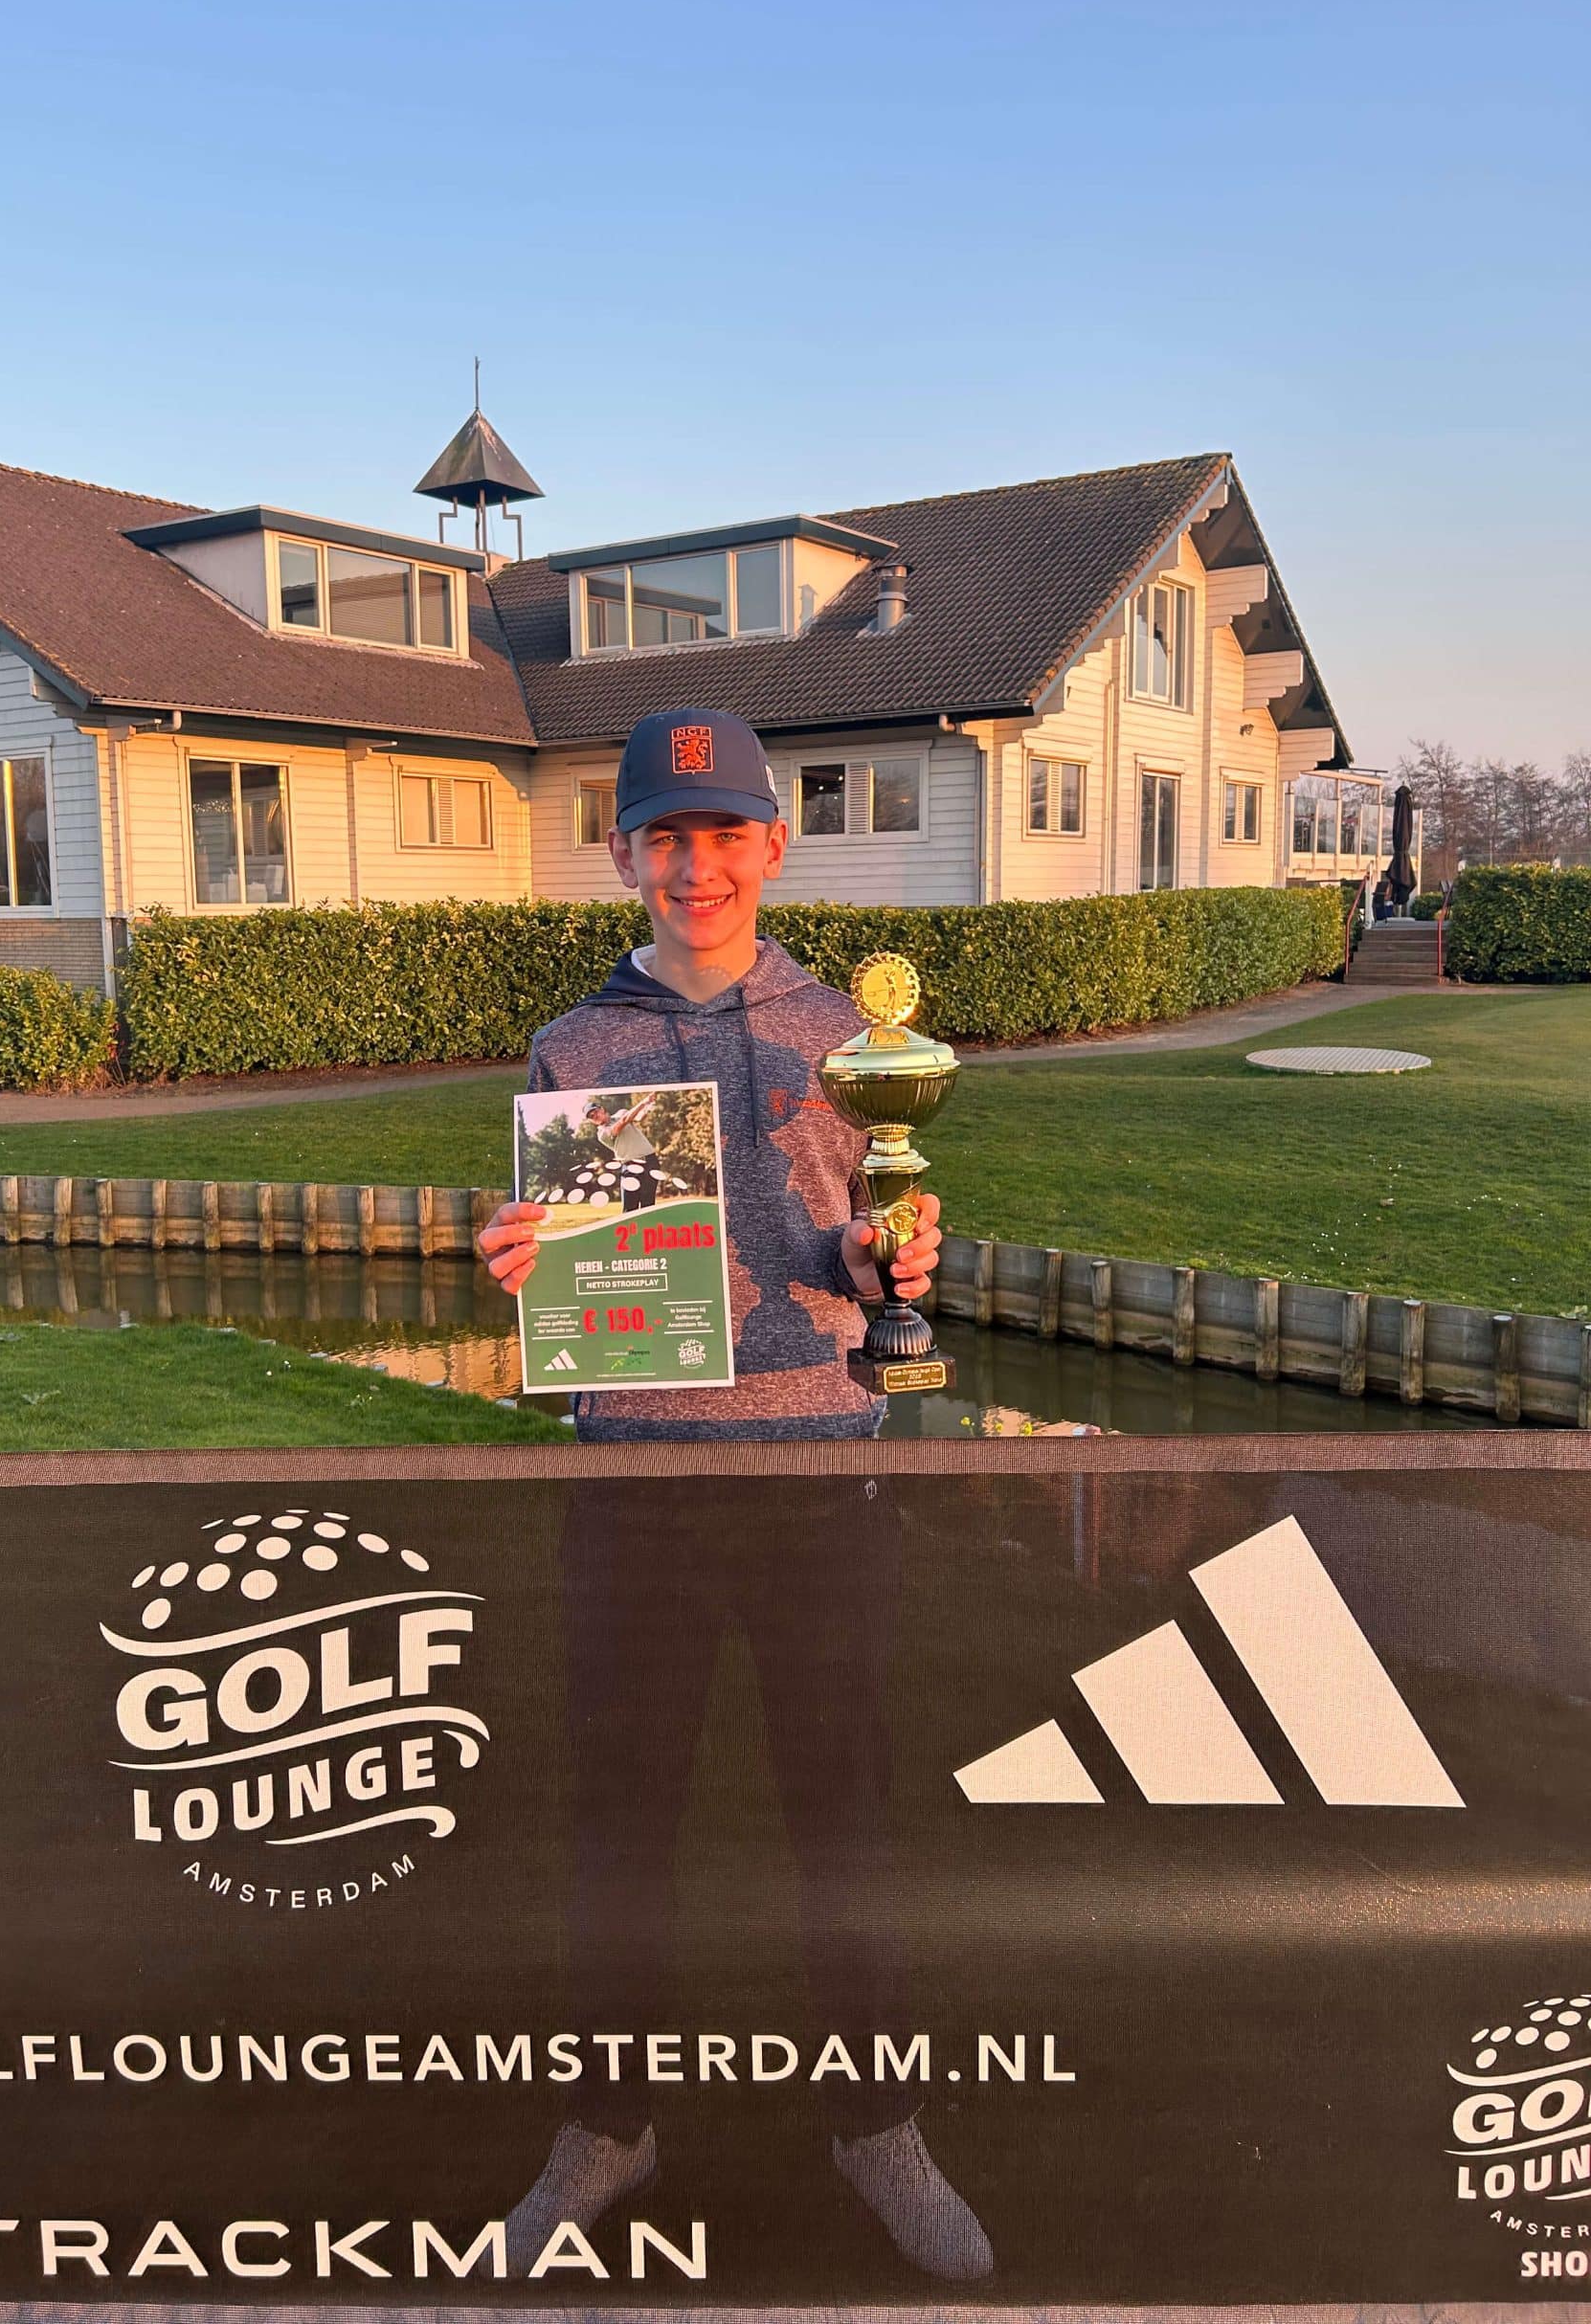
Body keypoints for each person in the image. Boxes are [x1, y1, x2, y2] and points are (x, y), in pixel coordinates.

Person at [476, 705, 994, 2282]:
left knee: (841, 1815)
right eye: (664, 835)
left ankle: (875, 2124)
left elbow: (851, 1244)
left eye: (722, 833)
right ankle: (607, 2126)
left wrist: (889, 1264)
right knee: (620, 1824)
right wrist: (520, 1259)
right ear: (622, 852)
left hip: (817, 1467)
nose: (694, 864)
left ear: (772, 844)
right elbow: (572, 1259)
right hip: (636, 1474)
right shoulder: (574, 1046)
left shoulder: (847, 1035)